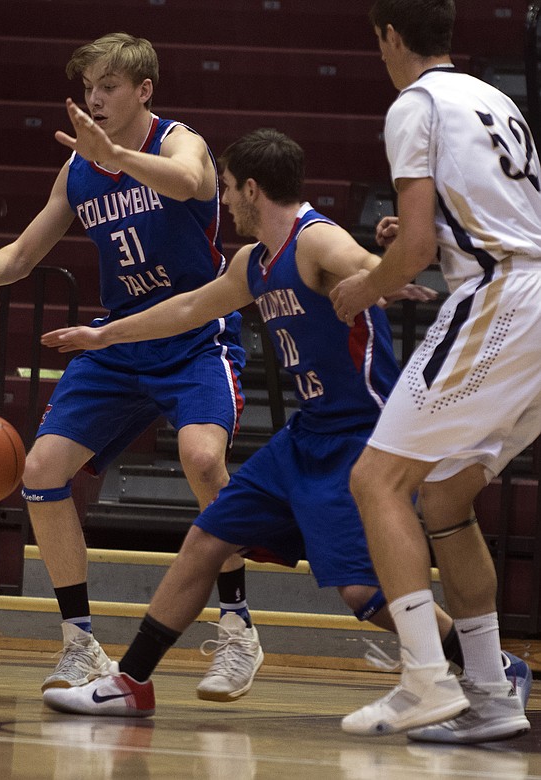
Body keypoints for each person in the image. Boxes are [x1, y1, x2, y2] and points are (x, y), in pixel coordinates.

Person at [38, 129, 530, 731]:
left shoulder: (316, 239)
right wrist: (102, 335)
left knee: (363, 596)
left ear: (250, 188)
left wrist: (385, 271)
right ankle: (130, 683)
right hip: (305, 437)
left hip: (361, 437)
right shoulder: (254, 262)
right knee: (206, 538)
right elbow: (190, 309)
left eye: (225, 188)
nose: (222, 200)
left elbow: (357, 265)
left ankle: (491, 667)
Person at [0, 32, 259, 700]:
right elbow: (23, 255)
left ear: (144, 91)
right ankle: (80, 643)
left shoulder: (180, 141)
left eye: (108, 86)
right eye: (88, 87)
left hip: (193, 332)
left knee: (204, 460)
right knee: (40, 469)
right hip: (116, 341)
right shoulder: (78, 171)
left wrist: (117, 156)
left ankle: (237, 631)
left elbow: (193, 181)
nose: (94, 98)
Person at [328, 0, 541, 740]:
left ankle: (423, 677)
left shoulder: (413, 102)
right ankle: (490, 694)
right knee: (445, 497)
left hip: (504, 298)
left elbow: (414, 249)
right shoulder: (492, 97)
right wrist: (428, 236)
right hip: (533, 293)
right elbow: (479, 215)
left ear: (390, 35)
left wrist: (365, 285)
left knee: (374, 479)